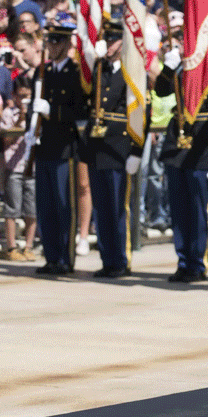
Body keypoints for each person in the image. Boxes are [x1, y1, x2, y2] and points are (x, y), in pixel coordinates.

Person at [154, 32, 208, 282]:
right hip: (176, 149)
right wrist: (169, 68)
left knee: (199, 211)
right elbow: (160, 91)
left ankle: (198, 262)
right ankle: (183, 261)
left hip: (203, 150)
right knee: (179, 211)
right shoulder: (180, 69)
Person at [79, 20, 143, 278]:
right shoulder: (98, 70)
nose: (108, 45)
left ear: (122, 43)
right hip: (97, 149)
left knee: (117, 207)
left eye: (113, 40)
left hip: (119, 149)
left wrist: (137, 150)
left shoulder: (130, 72)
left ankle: (120, 259)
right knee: (102, 208)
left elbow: (138, 112)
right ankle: (107, 258)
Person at [31, 14, 86, 274]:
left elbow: (78, 111)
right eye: (49, 40)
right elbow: (34, 108)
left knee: (65, 206)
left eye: (55, 41)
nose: (50, 46)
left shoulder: (75, 74)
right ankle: (51, 256)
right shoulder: (41, 72)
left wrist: (51, 112)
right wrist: (32, 129)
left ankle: (65, 258)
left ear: (65, 43)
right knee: (46, 205)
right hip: (43, 146)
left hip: (65, 147)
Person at [0, 73, 37, 261]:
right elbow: (6, 139)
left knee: (32, 209)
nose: (24, 100)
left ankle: (28, 246)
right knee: (12, 208)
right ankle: (11, 247)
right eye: (21, 96)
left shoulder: (37, 115)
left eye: (28, 96)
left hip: (32, 166)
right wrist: (20, 118)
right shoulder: (8, 113)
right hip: (14, 167)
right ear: (14, 96)